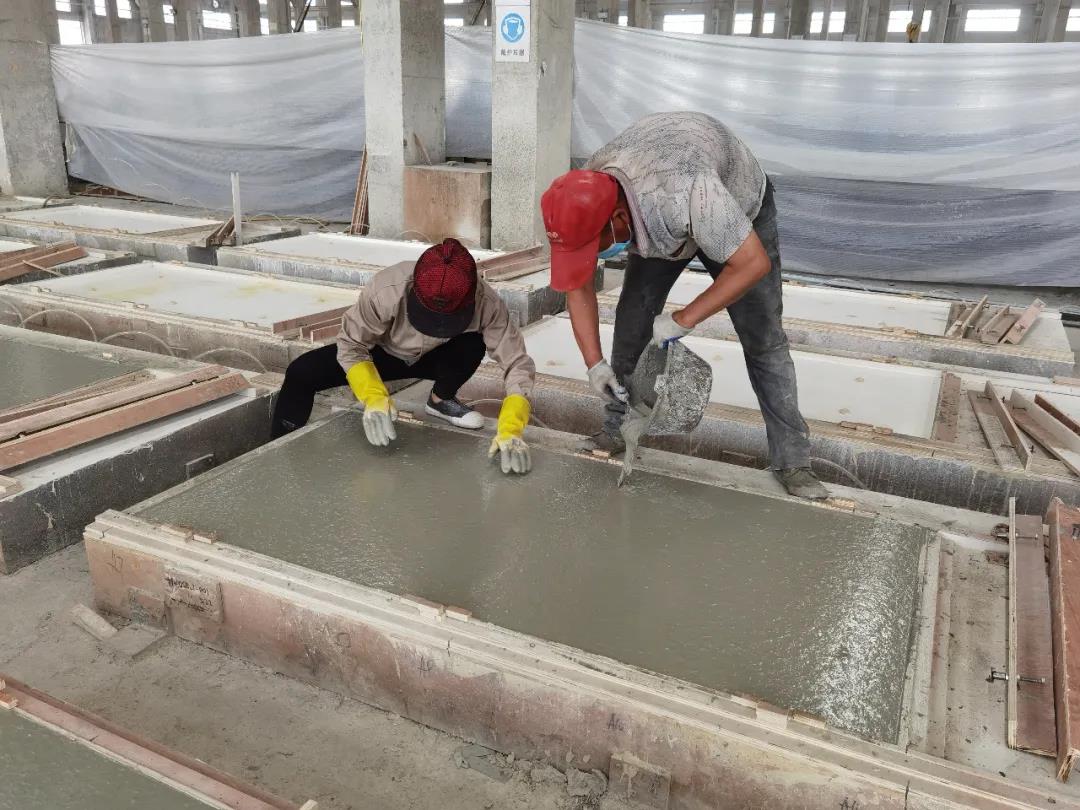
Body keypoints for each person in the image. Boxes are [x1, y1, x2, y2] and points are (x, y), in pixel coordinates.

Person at [540, 111, 827, 499]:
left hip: (731, 205)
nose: (593, 257)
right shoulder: (582, 196)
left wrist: (684, 318)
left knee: (763, 338)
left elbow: (752, 265)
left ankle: (793, 461)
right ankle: (617, 429)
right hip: (659, 207)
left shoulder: (690, 193)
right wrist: (595, 364)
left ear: (619, 218)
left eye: (595, 247)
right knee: (632, 321)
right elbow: (578, 287)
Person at [270, 238, 535, 475]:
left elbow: (516, 363)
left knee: (473, 344)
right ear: (414, 290)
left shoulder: (487, 302)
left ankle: (440, 400)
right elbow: (351, 344)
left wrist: (511, 426)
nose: (436, 326)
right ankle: (279, 447)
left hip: (437, 358)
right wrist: (373, 396)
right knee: (300, 373)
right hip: (383, 355)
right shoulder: (386, 289)